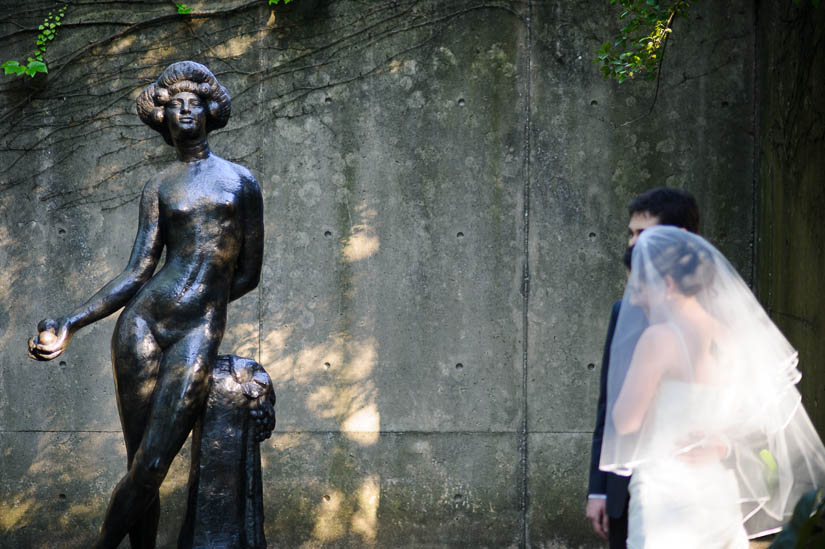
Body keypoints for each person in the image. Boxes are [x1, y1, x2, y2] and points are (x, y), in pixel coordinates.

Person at [27, 61, 264, 549]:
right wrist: (71, 322)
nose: (183, 111)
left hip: (197, 330)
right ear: (163, 118)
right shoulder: (158, 186)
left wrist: (205, 305)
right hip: (143, 325)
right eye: (174, 105)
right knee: (139, 463)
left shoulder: (240, 182)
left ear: (209, 112)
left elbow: (248, 274)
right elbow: (137, 272)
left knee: (154, 464)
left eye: (193, 103)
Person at [600, 226, 825, 548]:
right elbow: (753, 415)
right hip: (717, 487)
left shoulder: (657, 340)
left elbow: (625, 421)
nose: (634, 299)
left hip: (665, 489)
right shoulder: (731, 339)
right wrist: (723, 445)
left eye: (639, 287)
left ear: (667, 284)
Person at [586, 187, 700, 548]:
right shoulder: (625, 310)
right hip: (627, 487)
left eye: (642, 234)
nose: (632, 243)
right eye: (630, 233)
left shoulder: (721, 316)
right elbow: (608, 402)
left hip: (693, 488)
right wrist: (599, 490)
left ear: (677, 237)